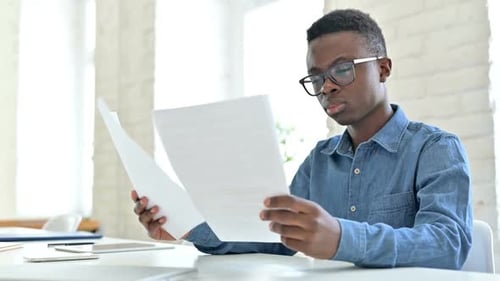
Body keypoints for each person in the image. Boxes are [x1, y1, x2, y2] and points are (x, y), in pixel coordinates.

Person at [132, 8, 472, 269]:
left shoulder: (435, 148)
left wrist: (341, 238)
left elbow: (448, 244)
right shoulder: (320, 160)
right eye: (316, 77)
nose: (327, 86)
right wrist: (188, 228)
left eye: (342, 69)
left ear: (383, 69)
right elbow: (276, 236)